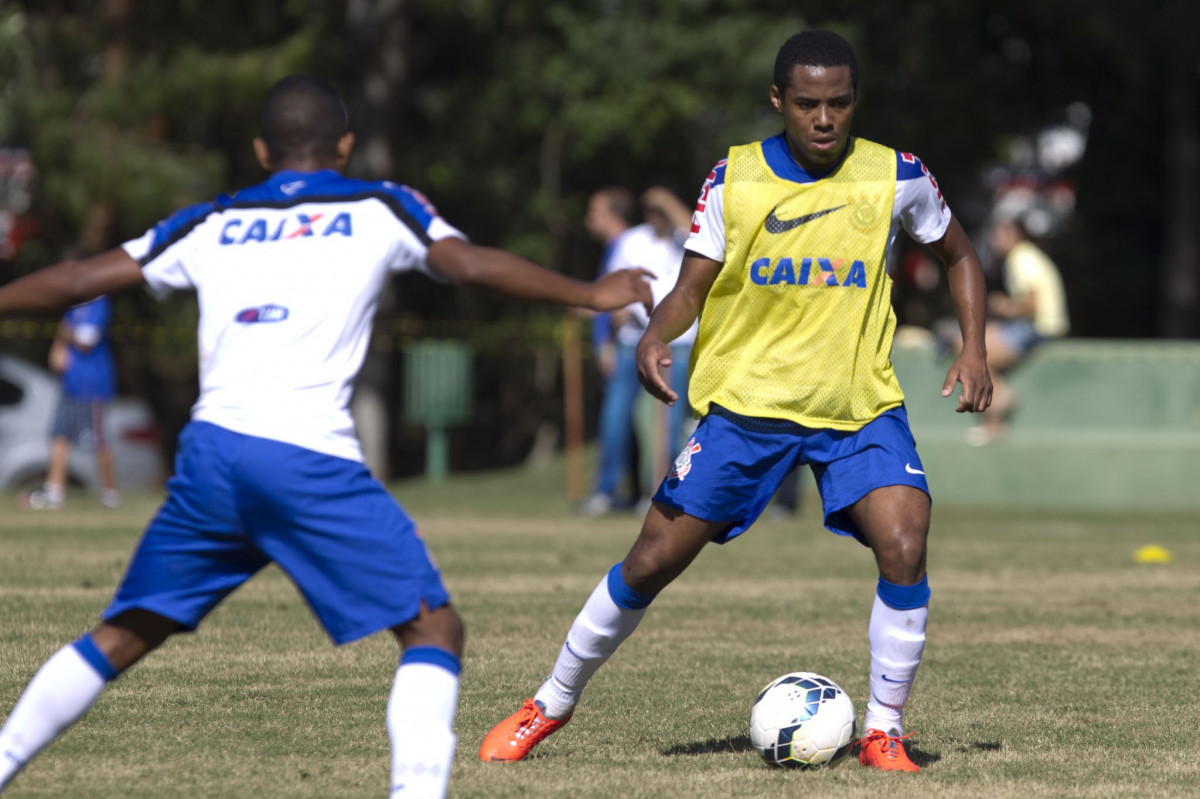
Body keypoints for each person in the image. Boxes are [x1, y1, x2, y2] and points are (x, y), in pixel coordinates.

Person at [0, 75, 651, 798]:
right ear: (343, 146)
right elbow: (466, 265)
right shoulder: (377, 205)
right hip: (304, 456)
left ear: (260, 150)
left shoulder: (210, 219)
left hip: (212, 456)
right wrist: (590, 294)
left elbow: (80, 278)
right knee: (434, 631)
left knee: (123, 634)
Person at [479, 30, 992, 773]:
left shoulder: (897, 175)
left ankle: (883, 731)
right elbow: (690, 285)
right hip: (747, 407)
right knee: (651, 560)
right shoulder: (735, 178)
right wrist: (656, 335)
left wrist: (973, 345)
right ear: (779, 101)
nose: (824, 119)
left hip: (857, 407)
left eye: (839, 104)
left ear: (856, 103)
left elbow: (960, 254)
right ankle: (548, 703)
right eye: (809, 104)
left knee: (906, 542)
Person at [581, 185, 698, 516]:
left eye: (660, 209)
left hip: (677, 343)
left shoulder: (688, 241)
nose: (654, 215)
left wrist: (665, 198)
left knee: (670, 423)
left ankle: (660, 492)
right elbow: (614, 289)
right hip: (632, 341)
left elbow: (689, 227)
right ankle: (605, 491)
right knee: (614, 417)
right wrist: (610, 340)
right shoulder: (632, 240)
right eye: (650, 209)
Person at [967, 215, 1068, 443]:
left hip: (1040, 329)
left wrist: (1002, 305)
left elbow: (1032, 306)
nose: (994, 240)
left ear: (1014, 236)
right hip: (1037, 327)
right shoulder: (1023, 257)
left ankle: (1000, 400)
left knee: (976, 351)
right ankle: (994, 417)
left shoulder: (1022, 258)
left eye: (999, 234)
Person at [25, 295, 121, 510]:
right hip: (70, 383)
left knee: (98, 439)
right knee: (59, 434)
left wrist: (65, 333)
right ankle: (54, 491)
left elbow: (87, 340)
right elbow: (63, 341)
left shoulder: (100, 304)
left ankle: (110, 493)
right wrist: (60, 344)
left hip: (93, 384)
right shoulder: (73, 308)